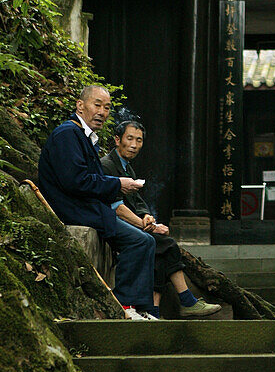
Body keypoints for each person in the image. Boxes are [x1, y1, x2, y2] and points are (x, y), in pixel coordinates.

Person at [38, 85, 156, 320]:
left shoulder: (84, 137)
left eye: (107, 107)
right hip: (73, 210)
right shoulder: (67, 135)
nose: (102, 112)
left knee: (147, 240)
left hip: (87, 208)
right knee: (140, 241)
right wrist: (117, 184)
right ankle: (125, 306)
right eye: (97, 105)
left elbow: (92, 180)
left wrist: (119, 187)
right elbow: (75, 181)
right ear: (80, 106)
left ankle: (138, 307)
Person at [100, 116, 220, 319]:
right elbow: (116, 207)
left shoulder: (127, 166)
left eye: (139, 140)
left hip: (132, 224)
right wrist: (147, 226)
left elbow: (137, 202)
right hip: (113, 225)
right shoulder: (107, 165)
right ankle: (185, 301)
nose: (134, 145)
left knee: (162, 247)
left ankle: (156, 309)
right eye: (130, 139)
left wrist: (148, 217)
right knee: (166, 244)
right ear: (117, 139)